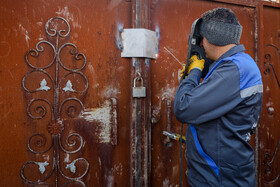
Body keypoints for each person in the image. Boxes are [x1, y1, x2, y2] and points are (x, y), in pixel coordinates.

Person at [173, 8, 263, 186]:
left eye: (202, 39)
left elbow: (183, 108)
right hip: (216, 173)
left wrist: (193, 73)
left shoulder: (234, 69)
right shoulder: (235, 66)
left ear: (209, 37)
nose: (202, 45)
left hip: (220, 178)